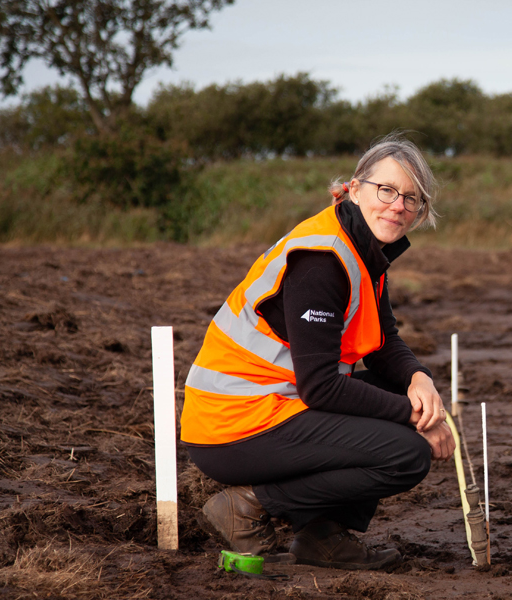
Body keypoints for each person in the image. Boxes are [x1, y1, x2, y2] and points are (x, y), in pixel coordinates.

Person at [180, 134, 455, 571]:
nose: (398, 206)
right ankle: (249, 505)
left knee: (395, 389)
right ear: (354, 188)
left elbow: (383, 341)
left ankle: (321, 538)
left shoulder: (362, 249)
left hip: (277, 403)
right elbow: (321, 387)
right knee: (406, 454)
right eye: (386, 190)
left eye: (412, 199)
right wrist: (413, 415)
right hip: (232, 425)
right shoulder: (322, 258)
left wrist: (419, 380)